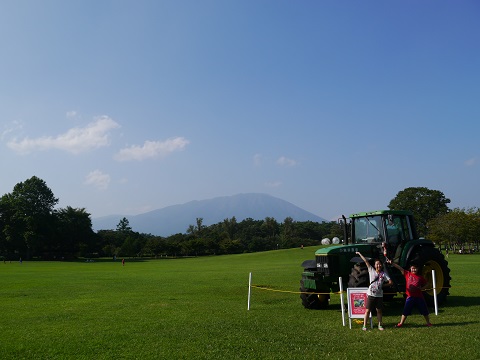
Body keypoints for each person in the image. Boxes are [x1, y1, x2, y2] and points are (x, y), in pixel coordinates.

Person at [387, 259, 432, 327]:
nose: (414, 270)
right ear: (410, 268)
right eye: (413, 268)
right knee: (406, 310)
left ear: (418, 269)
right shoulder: (407, 274)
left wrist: (422, 288)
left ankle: (428, 322)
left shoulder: (420, 277)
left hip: (419, 297)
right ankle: (401, 323)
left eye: (415, 268)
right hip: (410, 297)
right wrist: (392, 263)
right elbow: (400, 268)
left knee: (424, 310)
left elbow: (427, 284)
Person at [356, 251, 393, 331]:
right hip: (371, 295)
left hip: (379, 295)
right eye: (377, 264)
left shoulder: (383, 274)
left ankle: (380, 325)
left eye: (380, 264)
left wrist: (383, 285)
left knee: (379, 311)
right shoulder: (371, 270)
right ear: (374, 265)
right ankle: (364, 326)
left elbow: (390, 282)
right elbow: (366, 261)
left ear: (381, 265)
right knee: (367, 310)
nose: (378, 265)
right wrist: (359, 254)